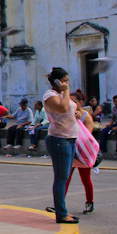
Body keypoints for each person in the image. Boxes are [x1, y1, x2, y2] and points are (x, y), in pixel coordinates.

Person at [43, 67, 80, 224]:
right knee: (61, 178)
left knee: (65, 176)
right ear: (56, 81)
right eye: (64, 80)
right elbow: (63, 107)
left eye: (67, 80)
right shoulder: (50, 95)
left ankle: (62, 210)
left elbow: (70, 109)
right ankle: (61, 213)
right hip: (59, 139)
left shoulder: (61, 95)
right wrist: (66, 90)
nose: (66, 83)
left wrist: (77, 113)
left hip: (70, 138)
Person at [68, 91, 95, 215]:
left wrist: (77, 120)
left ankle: (90, 202)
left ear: (80, 102)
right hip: (70, 151)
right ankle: (59, 203)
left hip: (81, 153)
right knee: (65, 178)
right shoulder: (67, 113)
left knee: (86, 179)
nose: (70, 103)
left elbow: (87, 137)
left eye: (73, 101)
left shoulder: (86, 117)